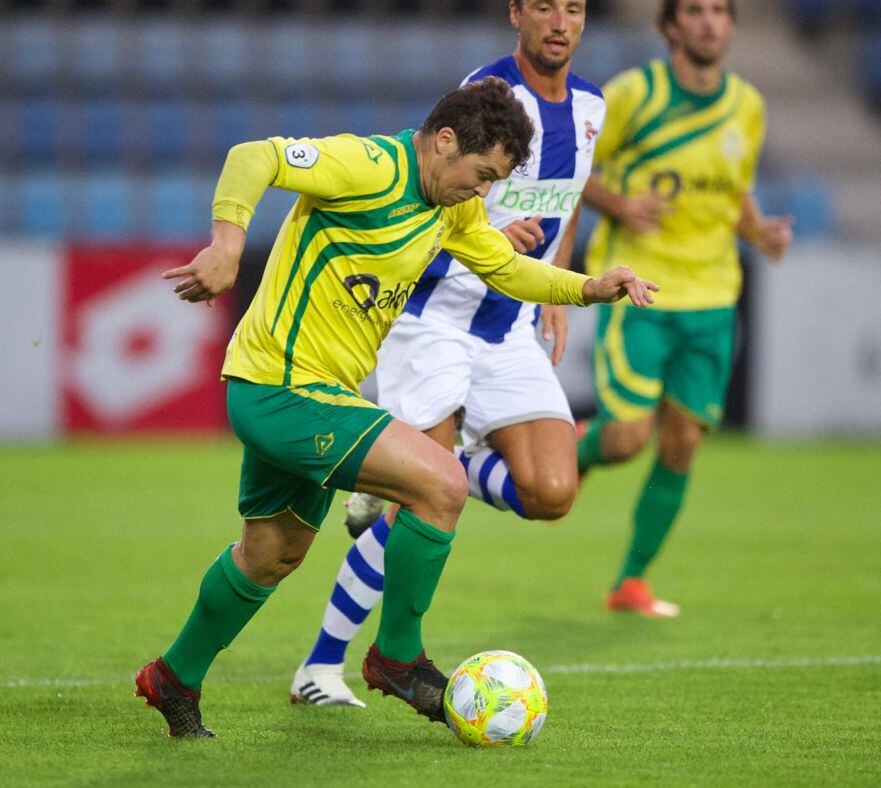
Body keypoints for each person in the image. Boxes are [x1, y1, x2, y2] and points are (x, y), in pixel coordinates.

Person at [133, 77, 658, 739]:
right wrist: (229, 244)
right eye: (483, 173)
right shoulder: (369, 166)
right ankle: (397, 657)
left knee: (270, 554)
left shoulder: (454, 207)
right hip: (281, 388)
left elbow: (505, 268)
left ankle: (173, 678)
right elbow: (253, 155)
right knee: (441, 482)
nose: (486, 193)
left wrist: (589, 287)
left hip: (315, 394)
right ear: (444, 142)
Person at [290, 0, 605, 708]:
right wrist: (493, 228)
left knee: (553, 492)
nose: (561, 22)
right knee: (424, 498)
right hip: (434, 316)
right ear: (516, 14)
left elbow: (573, 193)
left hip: (511, 324)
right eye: (545, 7)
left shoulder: (593, 106)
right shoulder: (488, 93)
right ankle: (321, 665)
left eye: (576, 8)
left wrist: (559, 276)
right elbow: (430, 191)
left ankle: (408, 469)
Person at [576, 0, 792, 617]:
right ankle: (580, 451)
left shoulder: (746, 106)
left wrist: (761, 235)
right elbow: (571, 170)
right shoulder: (633, 96)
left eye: (719, 12)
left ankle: (631, 583)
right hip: (640, 288)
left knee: (682, 444)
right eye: (693, 11)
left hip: (714, 298)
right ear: (669, 27)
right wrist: (619, 205)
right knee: (625, 439)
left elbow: (735, 190)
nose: (708, 22)